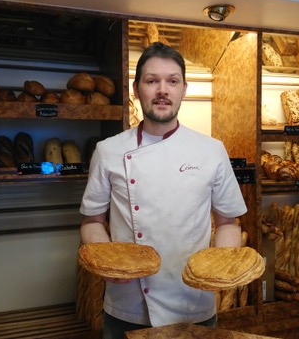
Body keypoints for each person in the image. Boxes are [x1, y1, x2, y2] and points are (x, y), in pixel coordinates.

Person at [79, 42, 247, 339]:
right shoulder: (108, 151)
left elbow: (228, 222)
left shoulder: (212, 150)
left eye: (172, 81)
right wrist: (109, 267)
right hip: (127, 303)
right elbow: (92, 221)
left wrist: (221, 265)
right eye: (151, 80)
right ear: (136, 89)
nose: (162, 90)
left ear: (184, 89)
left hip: (193, 300)